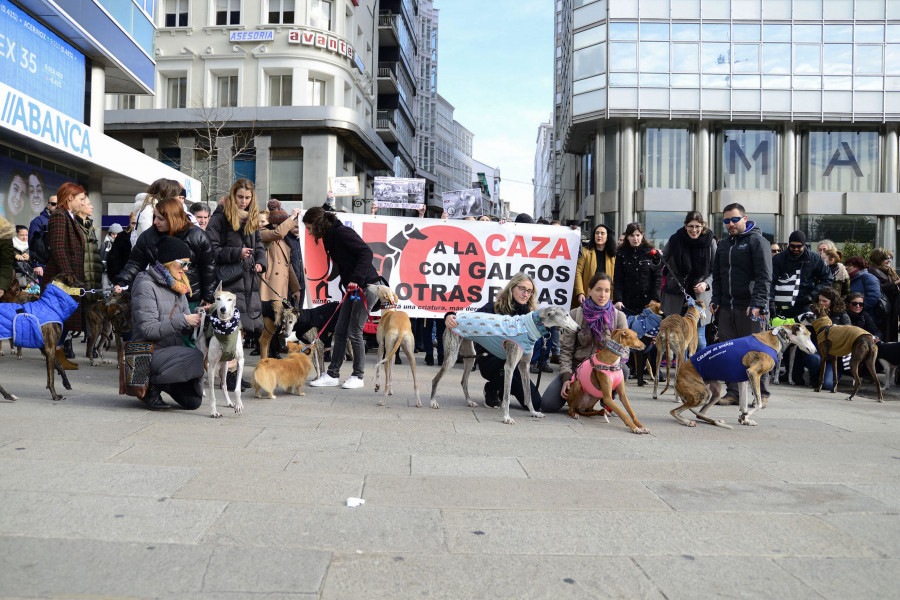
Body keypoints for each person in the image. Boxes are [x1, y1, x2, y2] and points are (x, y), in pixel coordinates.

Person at [304, 205, 381, 389]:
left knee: (355, 331)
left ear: (317, 223)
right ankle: (333, 374)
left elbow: (366, 252)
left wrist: (355, 279)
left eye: (309, 228)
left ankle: (358, 376)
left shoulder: (341, 233)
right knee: (339, 330)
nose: (308, 232)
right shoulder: (329, 237)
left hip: (367, 286)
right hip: (353, 288)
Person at [444, 272, 543, 408]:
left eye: (529, 291)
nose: (525, 294)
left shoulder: (529, 317)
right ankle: (492, 388)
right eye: (522, 289)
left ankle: (500, 388)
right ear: (512, 288)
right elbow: (470, 319)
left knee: (536, 404)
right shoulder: (493, 308)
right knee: (505, 370)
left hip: (516, 365)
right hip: (492, 362)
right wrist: (450, 315)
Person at [130, 235, 205, 410]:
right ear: (168, 261)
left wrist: (201, 318)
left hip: (168, 354)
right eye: (183, 264)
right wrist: (184, 320)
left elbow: (185, 327)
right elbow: (148, 330)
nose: (186, 269)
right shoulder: (145, 285)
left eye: (188, 264)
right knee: (195, 356)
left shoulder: (178, 287)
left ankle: (164, 383)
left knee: (193, 402)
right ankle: (150, 386)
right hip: (145, 354)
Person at [710, 202, 772, 405]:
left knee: (756, 351)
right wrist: (716, 300)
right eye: (726, 220)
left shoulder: (757, 241)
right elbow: (718, 277)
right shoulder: (724, 244)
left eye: (735, 219)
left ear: (745, 219)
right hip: (727, 307)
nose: (730, 224)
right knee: (729, 350)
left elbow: (764, 276)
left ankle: (761, 394)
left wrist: (758, 302)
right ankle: (734, 393)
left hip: (750, 306)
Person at [542, 273, 629, 413]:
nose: (603, 295)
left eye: (607, 291)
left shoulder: (618, 317)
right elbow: (566, 350)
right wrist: (566, 377)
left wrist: (610, 364)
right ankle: (581, 396)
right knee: (547, 404)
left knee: (623, 369)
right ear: (589, 291)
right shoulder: (575, 314)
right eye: (598, 290)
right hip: (578, 370)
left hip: (605, 371)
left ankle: (605, 397)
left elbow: (625, 350)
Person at [115, 198, 216, 306]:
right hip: (158, 296)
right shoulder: (148, 237)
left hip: (190, 297)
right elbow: (135, 263)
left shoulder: (198, 236)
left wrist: (208, 297)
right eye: (155, 217)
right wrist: (122, 282)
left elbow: (208, 268)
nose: (155, 222)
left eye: (160, 219)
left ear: (173, 219)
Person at [206, 178, 267, 335]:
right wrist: (237, 252)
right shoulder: (220, 217)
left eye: (248, 197)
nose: (244, 201)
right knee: (231, 331)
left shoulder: (251, 216)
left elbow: (259, 245)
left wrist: (261, 262)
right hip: (229, 280)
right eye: (240, 197)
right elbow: (211, 249)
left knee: (244, 330)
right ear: (233, 195)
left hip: (249, 278)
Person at [41, 182, 87, 369]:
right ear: (70, 198)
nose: (83, 203)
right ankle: (55, 356)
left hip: (68, 277)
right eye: (81, 199)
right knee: (60, 317)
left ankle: (58, 354)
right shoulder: (59, 216)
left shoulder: (69, 217)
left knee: (65, 318)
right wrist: (68, 276)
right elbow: (58, 247)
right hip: (62, 279)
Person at [661, 211, 715, 352]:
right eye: (691, 226)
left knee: (700, 341)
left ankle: (699, 370)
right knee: (681, 341)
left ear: (703, 226)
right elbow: (661, 261)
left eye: (697, 226)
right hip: (678, 295)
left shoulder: (711, 242)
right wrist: (655, 259)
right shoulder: (675, 239)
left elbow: (717, 269)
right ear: (685, 226)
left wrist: (705, 284)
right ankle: (682, 372)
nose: (694, 230)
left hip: (700, 298)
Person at [256, 200, 302, 356]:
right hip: (267, 289)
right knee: (268, 329)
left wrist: (295, 288)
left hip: (280, 290)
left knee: (275, 326)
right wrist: (292, 217)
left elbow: (288, 267)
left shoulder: (285, 242)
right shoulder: (262, 233)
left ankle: (272, 354)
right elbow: (278, 233)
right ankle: (265, 360)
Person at [792, 286, 850, 389]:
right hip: (817, 351)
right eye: (819, 300)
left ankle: (830, 375)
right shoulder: (813, 313)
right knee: (814, 359)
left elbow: (848, 333)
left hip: (833, 356)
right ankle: (815, 377)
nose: (821, 303)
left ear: (833, 302)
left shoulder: (841, 316)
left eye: (825, 301)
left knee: (828, 385)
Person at [770, 230, 832, 319]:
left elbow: (827, 279)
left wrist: (813, 294)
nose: (796, 249)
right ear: (789, 244)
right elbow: (770, 281)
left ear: (804, 244)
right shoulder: (778, 258)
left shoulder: (814, 258)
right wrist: (771, 301)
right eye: (793, 246)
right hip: (782, 305)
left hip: (805, 303)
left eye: (799, 246)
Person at [613, 222, 663, 316]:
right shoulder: (621, 254)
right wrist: (618, 300)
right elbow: (618, 279)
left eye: (638, 235)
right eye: (632, 235)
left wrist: (655, 299)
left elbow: (658, 277)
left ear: (642, 236)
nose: (635, 238)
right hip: (627, 304)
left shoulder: (650, 252)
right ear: (627, 237)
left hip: (648, 303)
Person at [573, 224, 616, 307]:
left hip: (605, 298)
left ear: (607, 237)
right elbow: (578, 272)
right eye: (597, 233)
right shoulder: (586, 252)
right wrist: (580, 292)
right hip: (587, 296)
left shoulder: (613, 256)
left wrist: (613, 297)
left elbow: (615, 278)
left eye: (602, 233)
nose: (599, 235)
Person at [867, 248, 899, 343]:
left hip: (892, 307)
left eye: (890, 258)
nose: (889, 260)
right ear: (878, 259)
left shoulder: (890, 271)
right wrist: (896, 283)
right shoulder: (872, 271)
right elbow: (880, 288)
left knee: (891, 333)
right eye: (886, 258)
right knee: (884, 334)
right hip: (882, 309)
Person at [27, 194, 56, 279]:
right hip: (44, 265)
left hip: (59, 264)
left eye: (59, 204)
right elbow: (33, 243)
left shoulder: (64, 220)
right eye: (53, 204)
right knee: (47, 290)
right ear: (48, 205)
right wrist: (36, 265)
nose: (57, 206)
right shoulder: (38, 221)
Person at [106, 213, 136, 286]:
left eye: (138, 223)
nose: (135, 226)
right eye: (133, 223)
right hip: (124, 281)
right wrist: (117, 279)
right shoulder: (121, 238)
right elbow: (112, 260)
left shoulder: (150, 237)